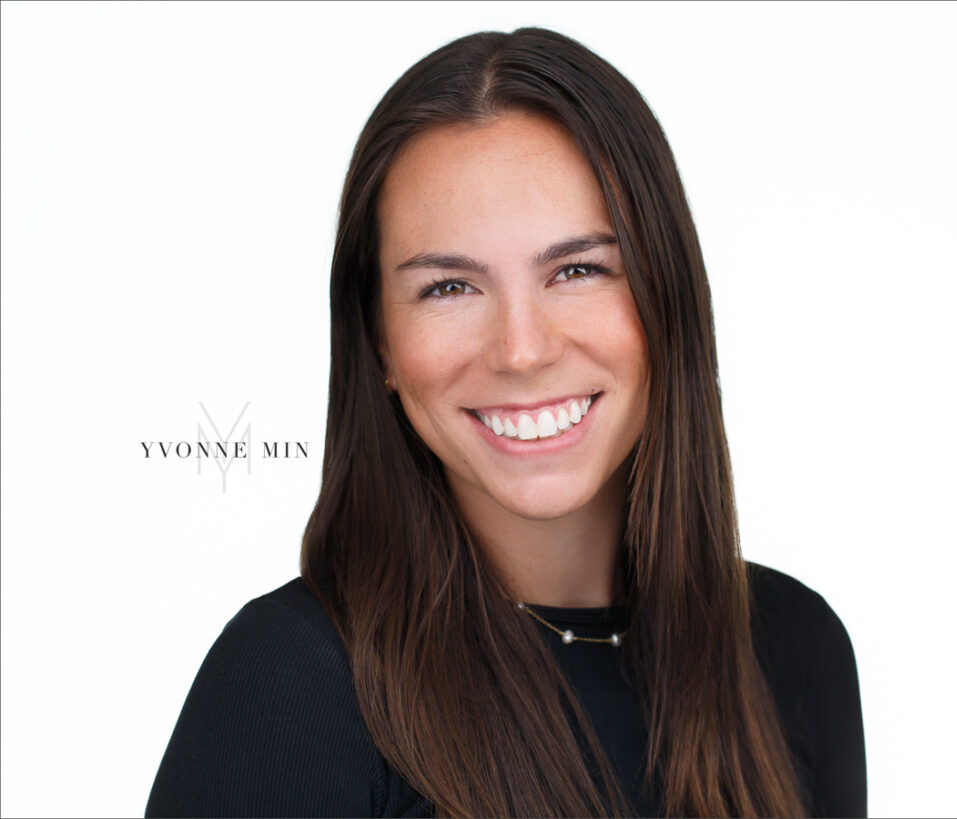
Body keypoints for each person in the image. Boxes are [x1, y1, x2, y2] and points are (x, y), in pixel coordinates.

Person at [145, 27, 866, 818]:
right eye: (450, 287)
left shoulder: (793, 650)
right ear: (380, 341)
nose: (522, 350)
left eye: (579, 269)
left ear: (668, 299)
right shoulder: (292, 684)